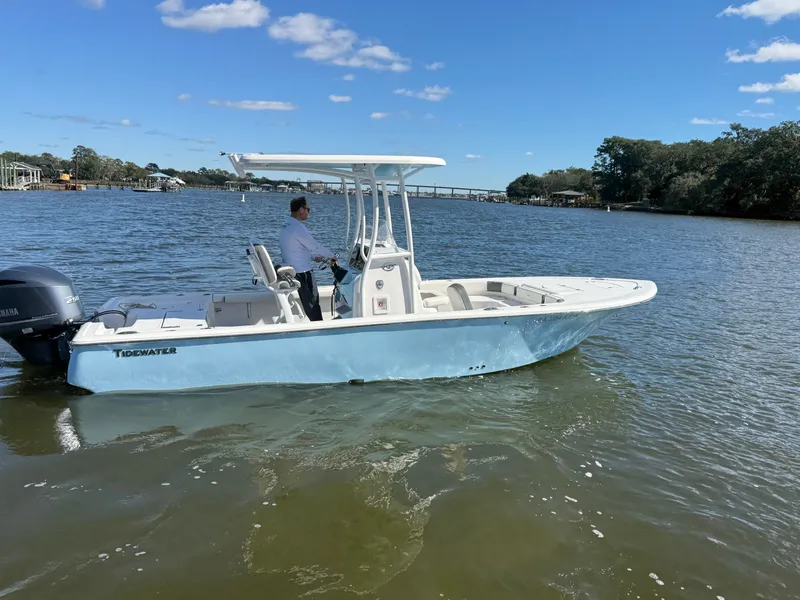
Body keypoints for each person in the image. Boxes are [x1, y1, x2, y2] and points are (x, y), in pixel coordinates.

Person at [278, 196, 336, 321]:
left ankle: (316, 324)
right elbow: (314, 245)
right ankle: (319, 328)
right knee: (313, 304)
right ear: (301, 210)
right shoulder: (298, 227)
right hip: (303, 273)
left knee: (310, 305)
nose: (309, 212)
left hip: (294, 270)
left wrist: (313, 257)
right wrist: (332, 256)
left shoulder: (286, 226)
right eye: (308, 209)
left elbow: (294, 248)